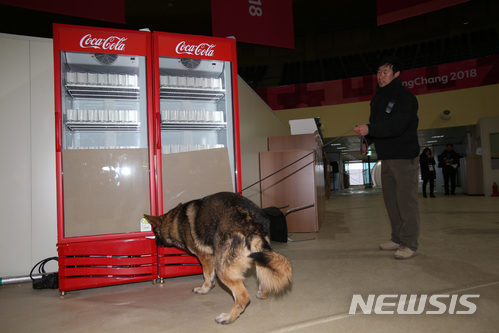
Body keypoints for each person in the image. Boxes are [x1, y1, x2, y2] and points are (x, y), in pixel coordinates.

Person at [353, 56, 420, 260]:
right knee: (391, 202)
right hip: (386, 158)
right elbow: (378, 126)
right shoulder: (378, 98)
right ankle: (397, 238)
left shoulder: (405, 97)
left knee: (406, 203)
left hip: (404, 158)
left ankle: (409, 244)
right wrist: (367, 141)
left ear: (397, 74)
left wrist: (370, 128)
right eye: (379, 71)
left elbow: (396, 126)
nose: (381, 76)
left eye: (386, 72)